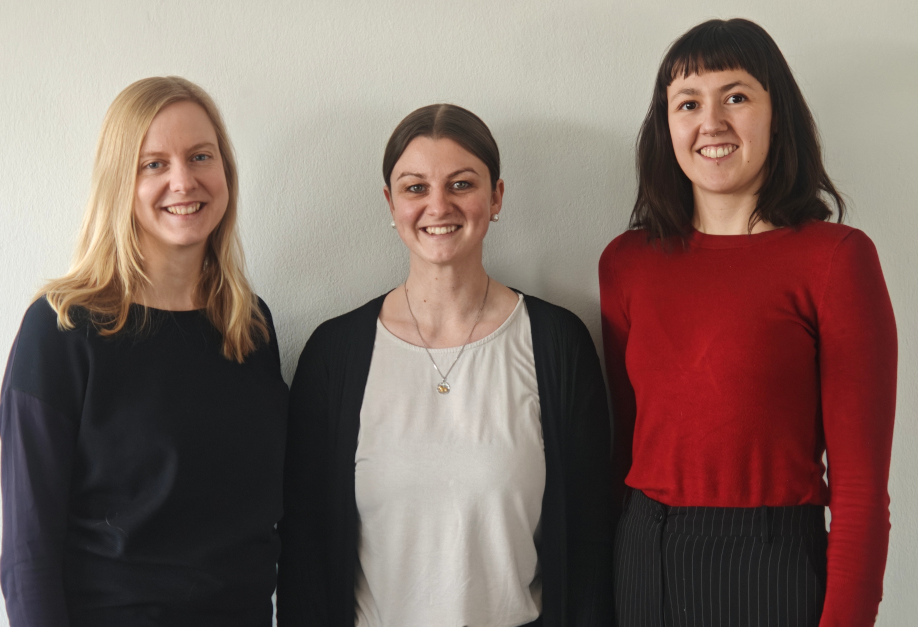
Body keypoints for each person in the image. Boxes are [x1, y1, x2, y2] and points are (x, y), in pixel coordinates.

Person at [599, 18, 897, 627]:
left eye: (736, 96)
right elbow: (626, 444)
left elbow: (862, 493)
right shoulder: (626, 264)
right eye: (688, 103)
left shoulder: (836, 259)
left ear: (777, 114)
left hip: (771, 563)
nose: (712, 122)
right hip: (640, 557)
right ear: (668, 128)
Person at [278, 103, 614, 627]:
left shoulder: (557, 344)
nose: (438, 205)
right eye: (415, 188)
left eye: (461, 184)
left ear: (496, 196)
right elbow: (304, 543)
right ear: (390, 203)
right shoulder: (334, 355)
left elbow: (591, 540)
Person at [0, 77, 287, 627]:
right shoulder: (60, 329)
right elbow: (28, 554)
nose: (184, 180)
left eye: (201, 156)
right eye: (153, 164)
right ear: (119, 184)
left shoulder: (249, 325)